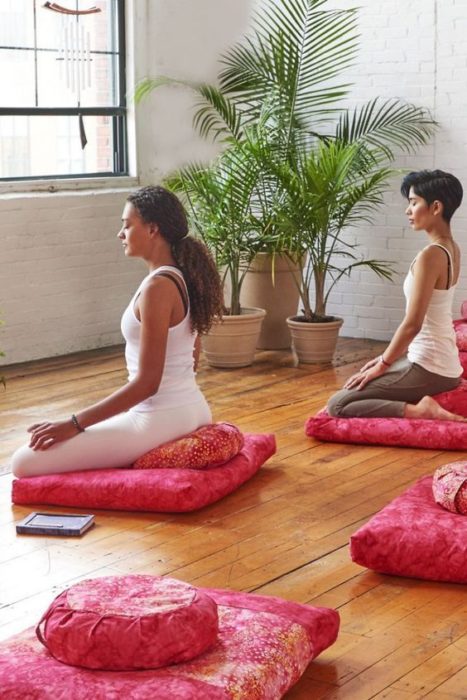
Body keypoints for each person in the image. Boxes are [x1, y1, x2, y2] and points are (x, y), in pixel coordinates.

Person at [12, 185, 224, 477]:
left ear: (152, 229)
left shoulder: (157, 287)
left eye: (127, 225)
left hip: (160, 418)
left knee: (23, 462)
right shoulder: (181, 277)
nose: (120, 234)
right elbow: (193, 355)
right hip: (191, 409)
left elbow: (148, 384)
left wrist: (73, 424)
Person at [327, 169, 466, 421]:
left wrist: (384, 363)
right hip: (439, 362)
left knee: (338, 405)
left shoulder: (431, 255)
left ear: (435, 207)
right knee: (361, 379)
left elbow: (413, 324)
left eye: (414, 203)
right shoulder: (452, 248)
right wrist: (383, 361)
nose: (408, 211)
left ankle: (421, 411)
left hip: (430, 367)